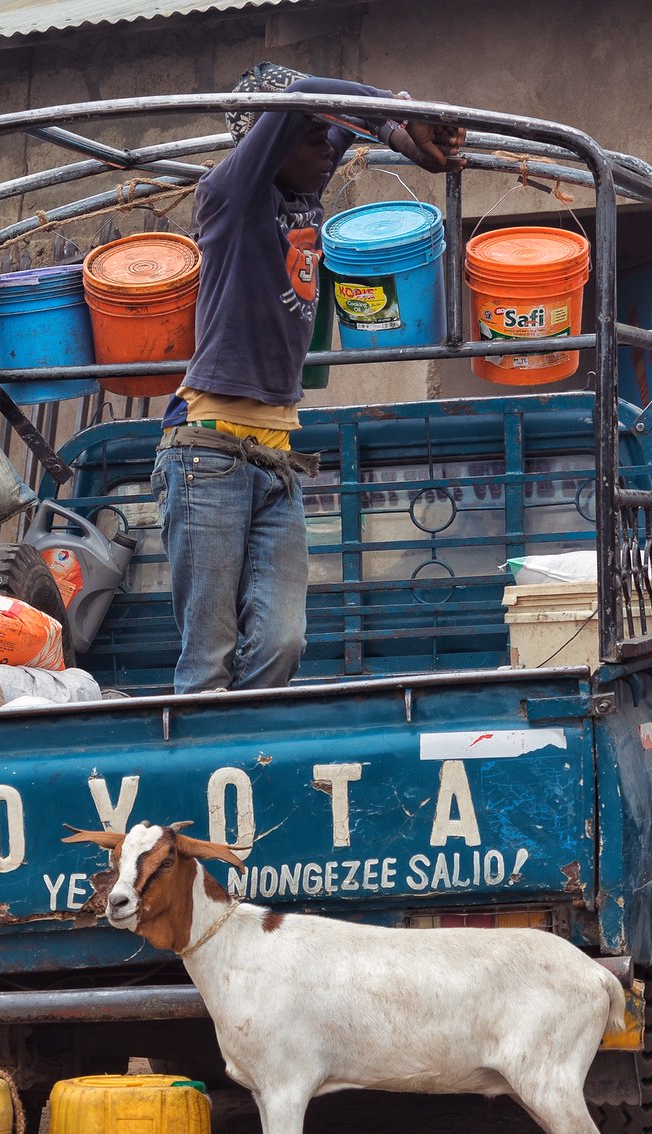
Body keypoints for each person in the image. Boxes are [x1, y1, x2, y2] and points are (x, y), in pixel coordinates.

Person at [156, 75, 463, 693]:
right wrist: (397, 114)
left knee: (282, 643)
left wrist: (391, 132)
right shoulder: (232, 197)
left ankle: (248, 761)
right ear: (265, 144)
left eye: (332, 135)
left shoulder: (303, 194)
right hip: (207, 456)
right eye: (310, 134)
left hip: (278, 461)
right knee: (209, 657)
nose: (328, 146)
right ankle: (206, 774)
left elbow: (326, 112)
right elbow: (307, 91)